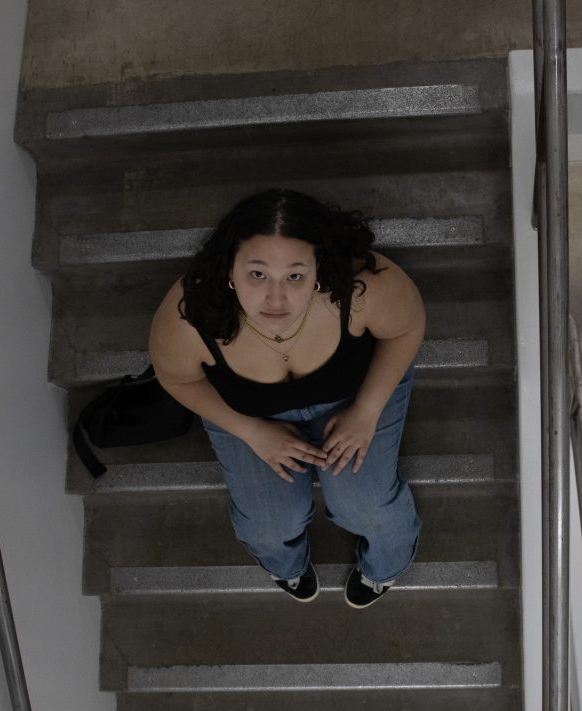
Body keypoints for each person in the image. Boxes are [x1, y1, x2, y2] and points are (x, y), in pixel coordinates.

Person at [148, 189, 425, 609]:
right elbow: (177, 379)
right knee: (268, 524)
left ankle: (386, 566)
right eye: (257, 275)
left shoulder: (358, 285)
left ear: (317, 267)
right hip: (249, 411)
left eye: (294, 276)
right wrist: (252, 431)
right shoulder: (192, 312)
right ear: (230, 269)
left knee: (365, 507)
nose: (275, 298)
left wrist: (366, 411)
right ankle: (286, 565)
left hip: (350, 395)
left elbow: (406, 327)